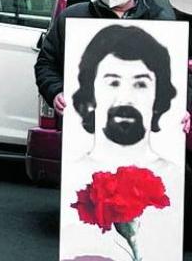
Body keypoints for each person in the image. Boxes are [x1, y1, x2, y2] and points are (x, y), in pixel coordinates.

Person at [35, 0, 177, 117]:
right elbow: (46, 64)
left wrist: (182, 108)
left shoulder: (160, 22)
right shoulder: (73, 17)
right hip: (82, 124)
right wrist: (56, 91)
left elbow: (180, 75)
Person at [70, 24, 180, 168]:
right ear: (90, 94)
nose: (126, 98)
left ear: (159, 97)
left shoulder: (174, 176)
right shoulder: (73, 174)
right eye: (113, 83)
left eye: (140, 84)